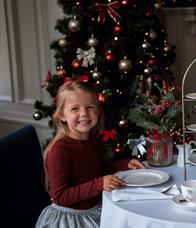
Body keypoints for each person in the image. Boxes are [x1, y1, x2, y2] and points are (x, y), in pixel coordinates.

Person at [35, 81, 145, 228]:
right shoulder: (59, 151)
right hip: (70, 219)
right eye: (75, 108)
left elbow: (95, 172)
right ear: (61, 115)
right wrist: (99, 184)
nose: (84, 113)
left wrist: (124, 164)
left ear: (98, 111)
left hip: (93, 210)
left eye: (90, 107)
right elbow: (60, 197)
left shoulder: (92, 141)